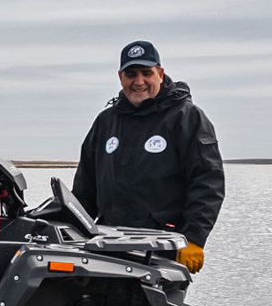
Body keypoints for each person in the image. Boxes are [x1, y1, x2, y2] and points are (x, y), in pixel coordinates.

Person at [71, 40, 224, 274]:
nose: (138, 81)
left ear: (160, 74)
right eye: (131, 74)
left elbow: (208, 182)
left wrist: (194, 237)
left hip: (163, 250)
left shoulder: (187, 118)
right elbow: (85, 190)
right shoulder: (106, 122)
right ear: (120, 77)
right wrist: (69, 230)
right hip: (107, 247)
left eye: (146, 73)